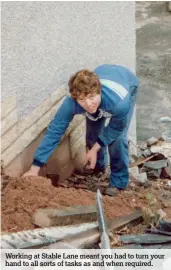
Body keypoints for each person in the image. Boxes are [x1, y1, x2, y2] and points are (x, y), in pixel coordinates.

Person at [24, 64, 139, 196]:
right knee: (92, 134)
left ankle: (118, 181)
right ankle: (98, 166)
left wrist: (95, 148)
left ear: (99, 91)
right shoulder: (70, 103)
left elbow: (116, 128)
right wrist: (35, 168)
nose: (88, 104)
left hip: (128, 82)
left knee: (117, 140)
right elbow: (54, 132)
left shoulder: (120, 103)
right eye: (82, 100)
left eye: (91, 97)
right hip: (104, 75)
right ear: (75, 98)